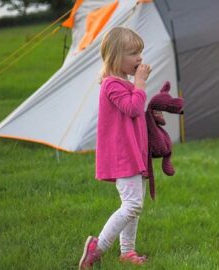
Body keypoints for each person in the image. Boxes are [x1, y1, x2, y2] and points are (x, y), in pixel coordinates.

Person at [79, 26, 152, 269]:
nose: (139, 58)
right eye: (133, 53)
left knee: (134, 207)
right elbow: (132, 108)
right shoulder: (112, 85)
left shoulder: (124, 83)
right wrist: (140, 83)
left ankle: (127, 252)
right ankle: (96, 249)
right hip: (123, 157)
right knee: (132, 205)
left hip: (134, 156)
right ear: (115, 57)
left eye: (140, 52)